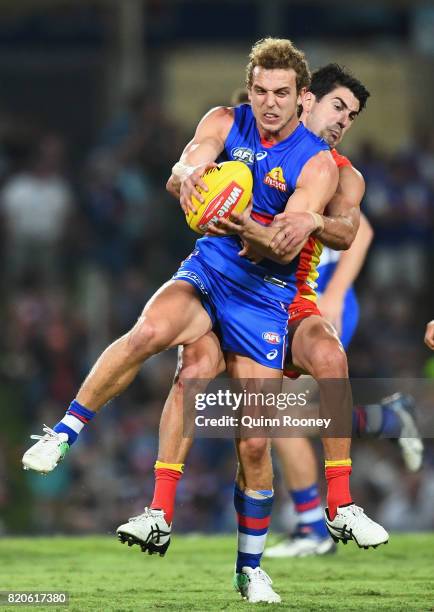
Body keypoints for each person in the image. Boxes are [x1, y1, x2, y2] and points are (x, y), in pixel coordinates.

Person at [22, 41, 384, 604]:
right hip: (210, 272)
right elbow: (191, 158)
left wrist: (240, 221)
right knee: (150, 334)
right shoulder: (224, 119)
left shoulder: (317, 164)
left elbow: (288, 247)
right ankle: (65, 435)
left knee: (256, 443)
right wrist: (188, 176)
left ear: (299, 97)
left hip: (267, 297)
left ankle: (255, 564)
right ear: (253, 87)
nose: (268, 103)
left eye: (280, 94)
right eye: (261, 91)